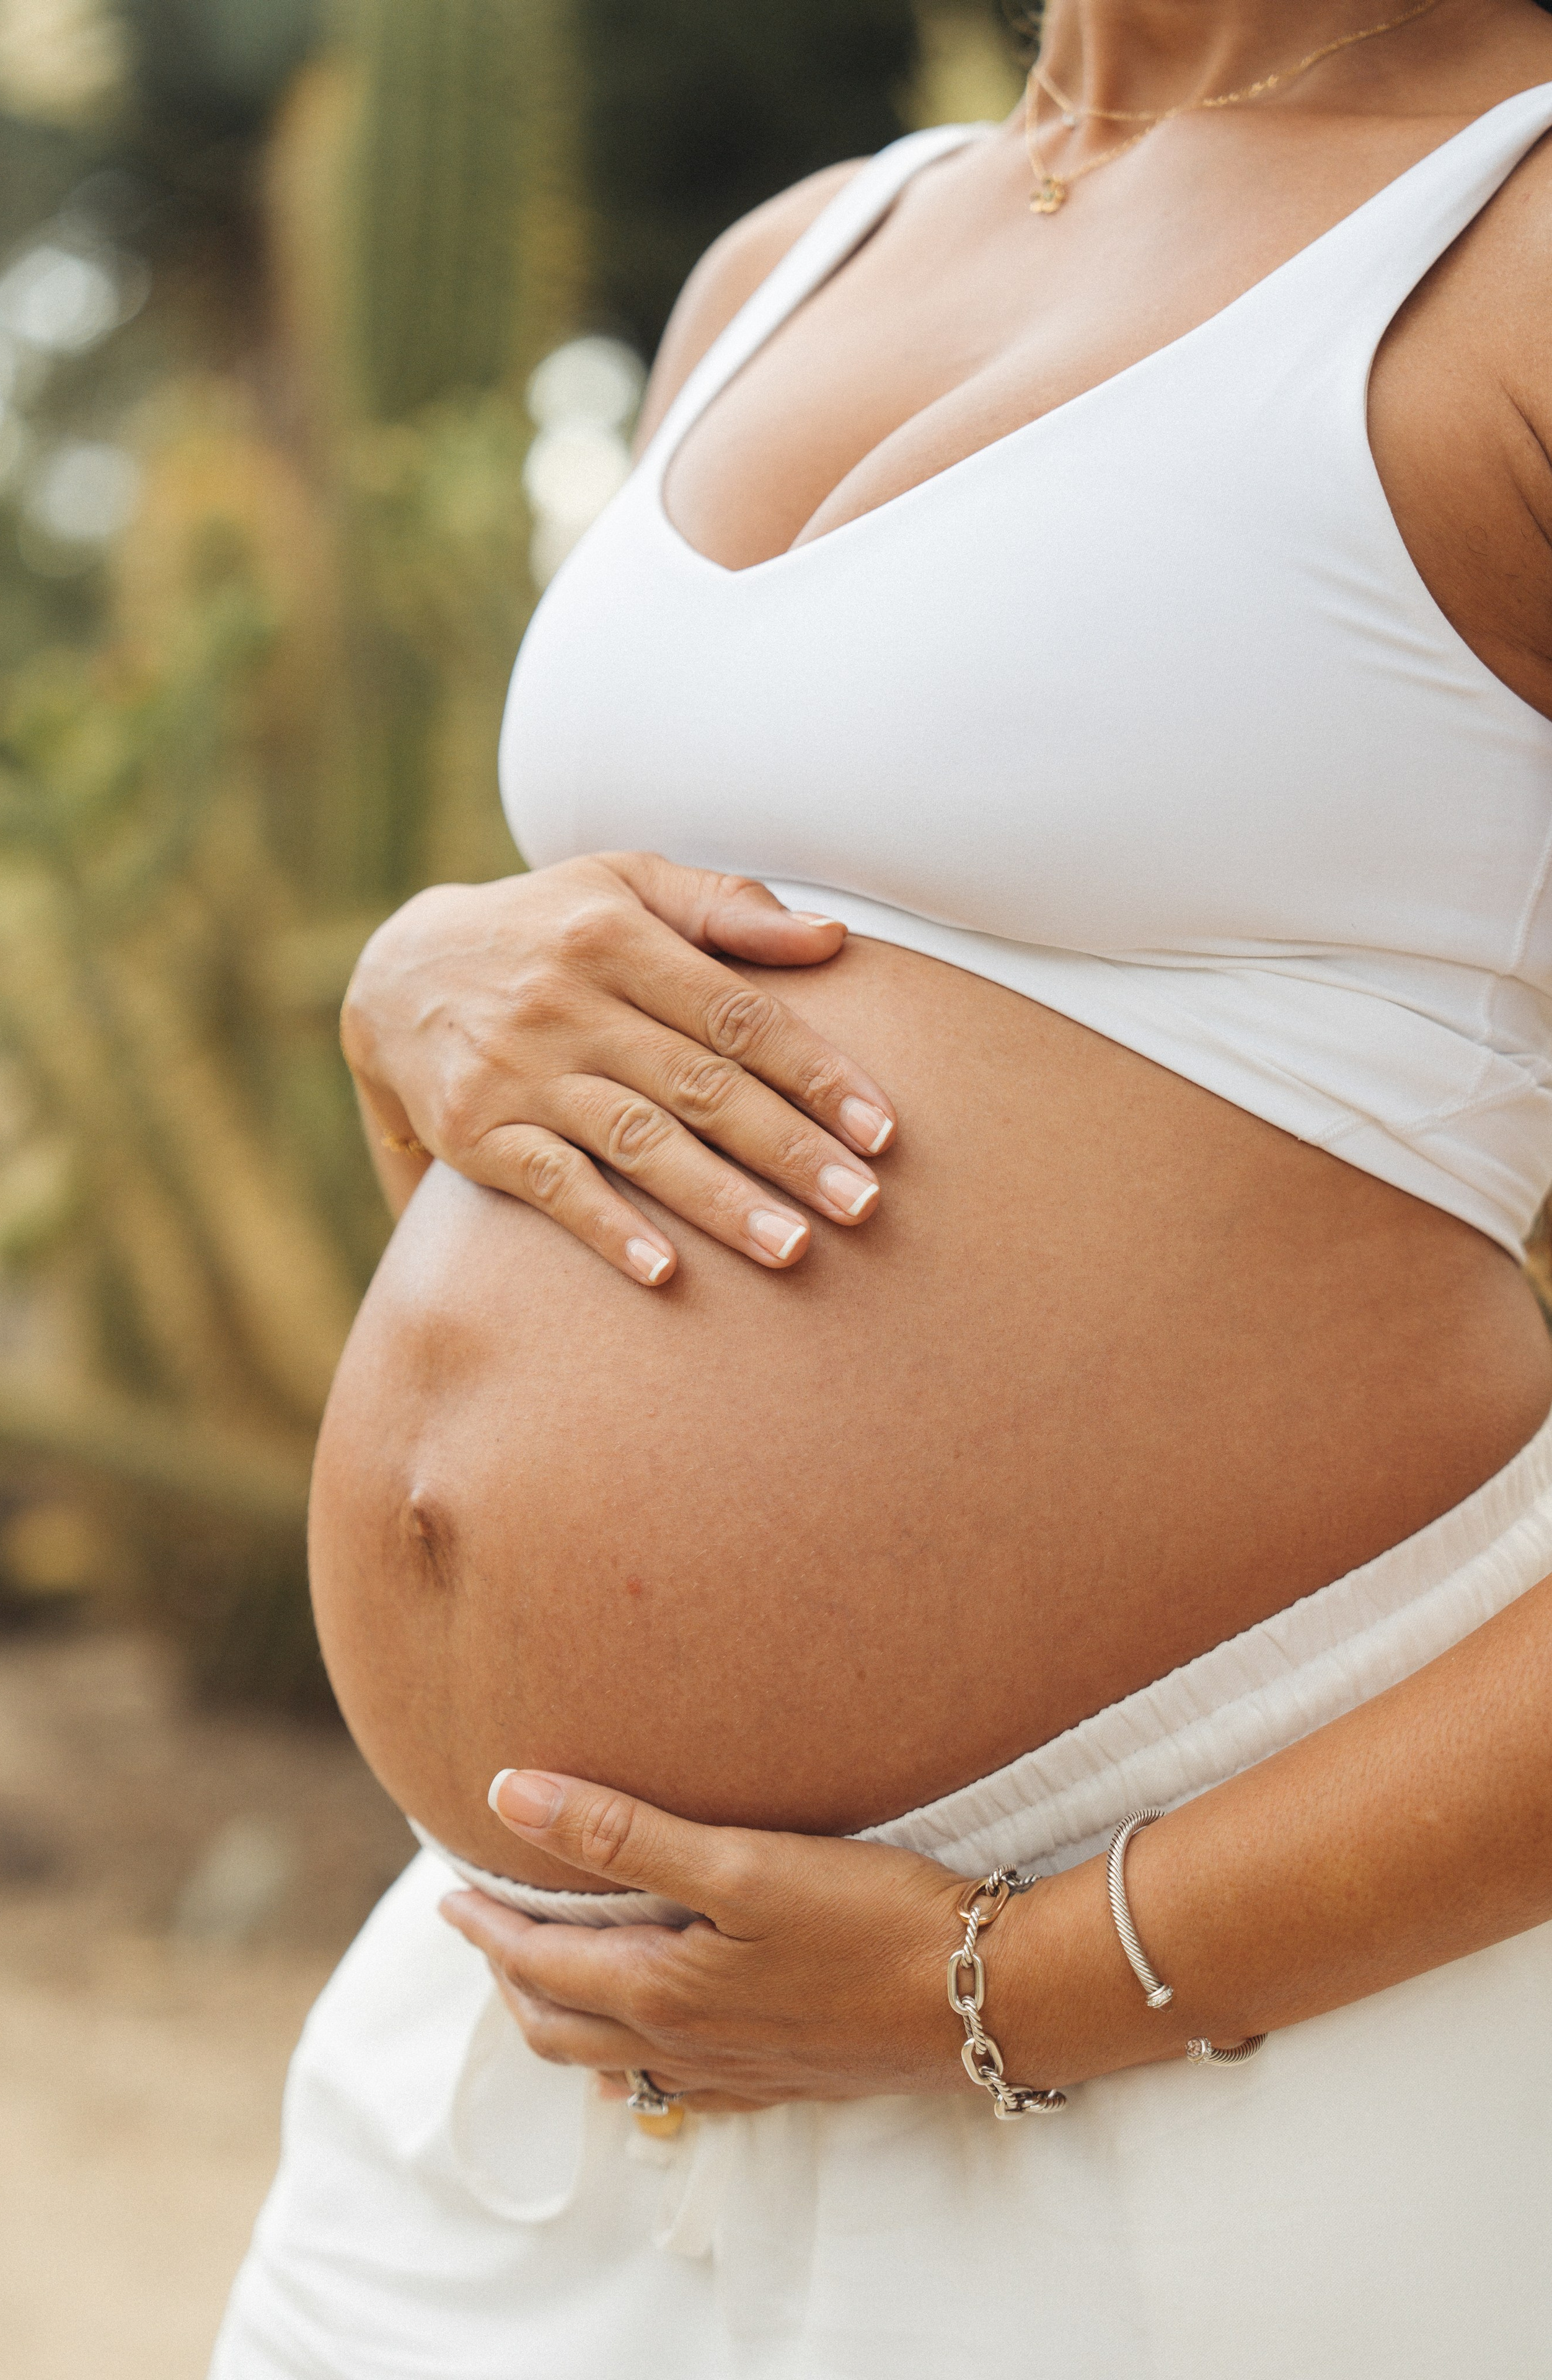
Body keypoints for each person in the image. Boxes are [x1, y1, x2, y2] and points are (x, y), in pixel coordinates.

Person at [212, 3, 1552, 2372]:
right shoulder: (789, 264)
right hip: (509, 2050)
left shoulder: (1512, 253)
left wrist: (1001, 1983)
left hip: (1208, 2040)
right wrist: (417, 980)